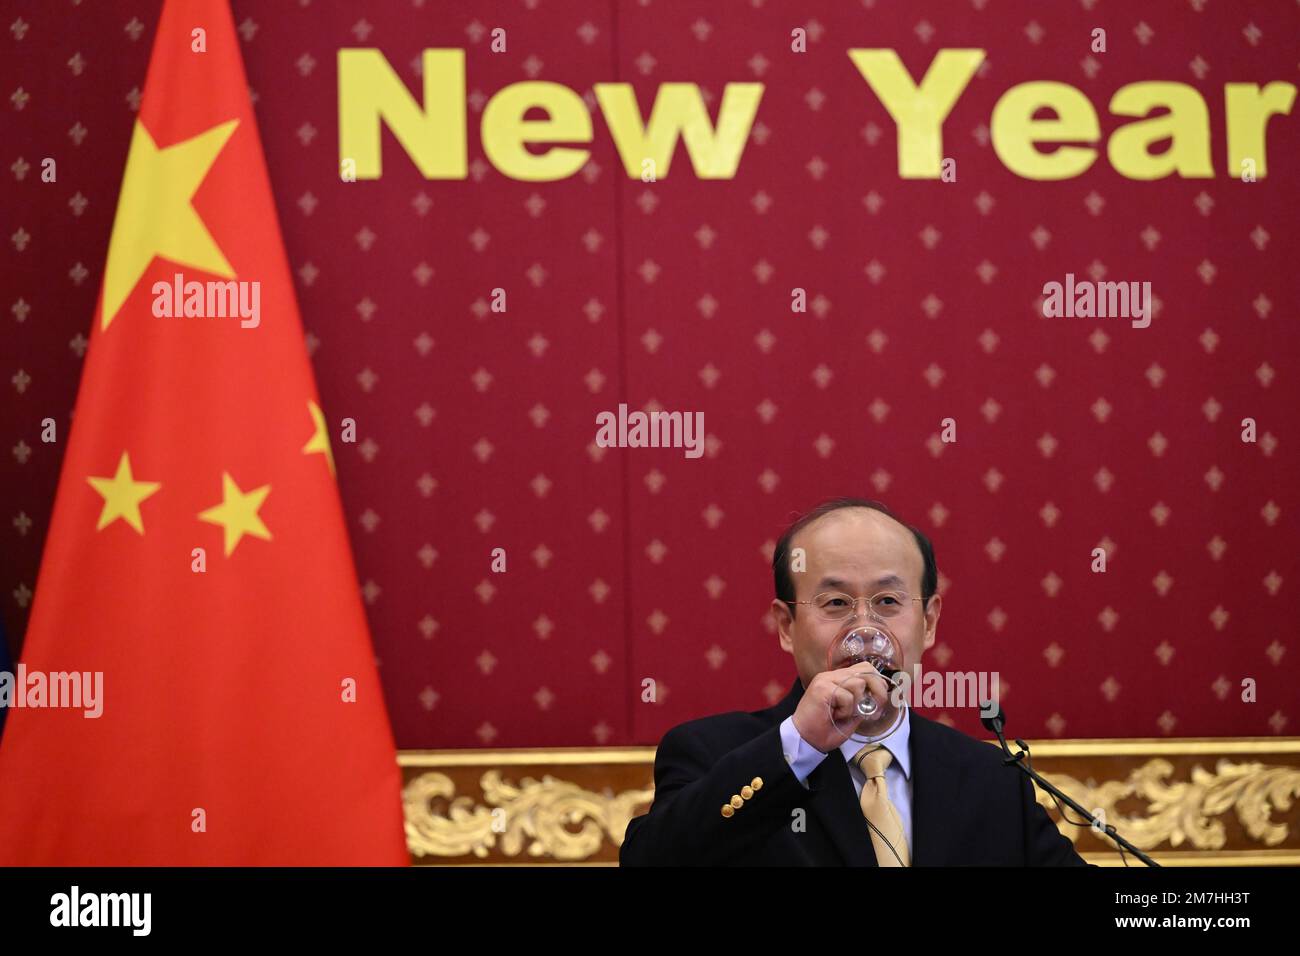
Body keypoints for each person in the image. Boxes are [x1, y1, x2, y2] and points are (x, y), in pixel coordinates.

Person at [620, 497, 1087, 866]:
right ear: (786, 626)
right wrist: (798, 747)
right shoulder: (711, 754)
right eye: (836, 604)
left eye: (887, 601)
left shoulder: (990, 780)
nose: (866, 633)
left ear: (929, 621)